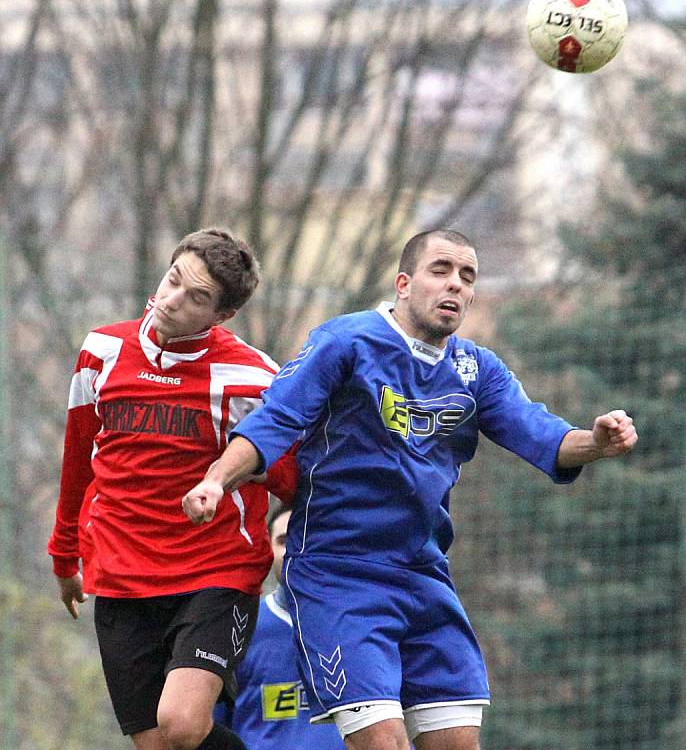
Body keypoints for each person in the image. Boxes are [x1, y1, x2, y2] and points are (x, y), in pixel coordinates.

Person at [181, 229, 638, 750]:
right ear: (404, 282)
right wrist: (217, 479)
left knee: (457, 742)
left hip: (423, 575)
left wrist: (596, 442)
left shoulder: (476, 370)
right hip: (339, 575)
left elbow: (545, 437)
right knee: (384, 743)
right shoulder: (345, 342)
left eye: (468, 277)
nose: (456, 285)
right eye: (441, 269)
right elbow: (276, 418)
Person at [48, 228, 297, 750]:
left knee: (182, 724)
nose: (172, 300)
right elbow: (78, 461)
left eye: (197, 297)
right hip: (120, 573)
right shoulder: (101, 352)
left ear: (221, 315)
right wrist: (64, 554)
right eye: (173, 280)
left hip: (215, 572)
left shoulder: (251, 379)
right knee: (159, 743)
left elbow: (292, 479)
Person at [213, 503, 346, 749]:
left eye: (304, 538)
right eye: (284, 541)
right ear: (267, 549)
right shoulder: (238, 628)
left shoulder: (368, 623)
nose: (293, 550)